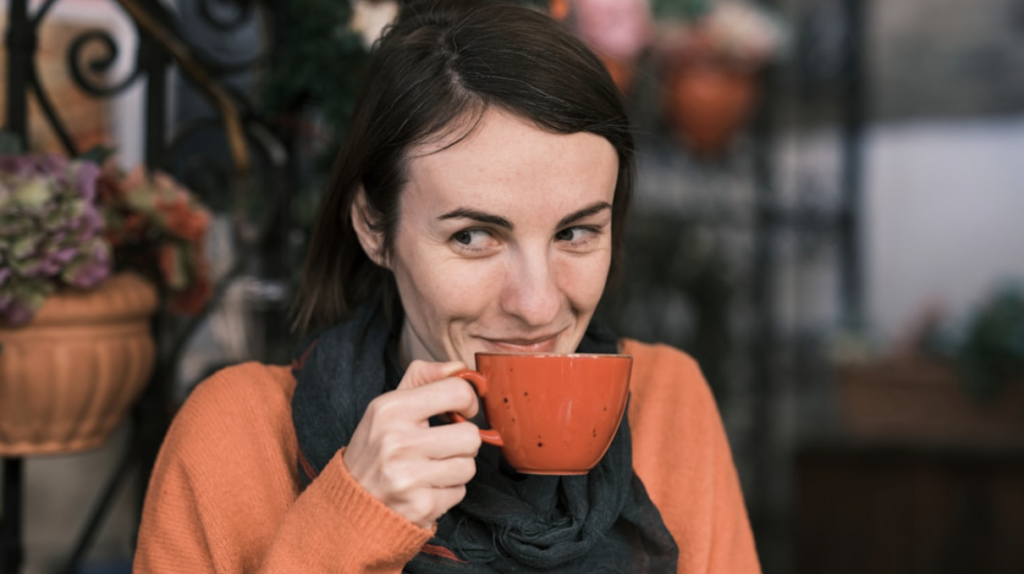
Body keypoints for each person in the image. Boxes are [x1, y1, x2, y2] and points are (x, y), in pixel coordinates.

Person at [133, 1, 760, 572]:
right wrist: (349, 521)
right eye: (473, 236)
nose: (538, 304)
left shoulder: (666, 402)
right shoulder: (238, 438)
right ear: (374, 226)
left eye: (575, 233)